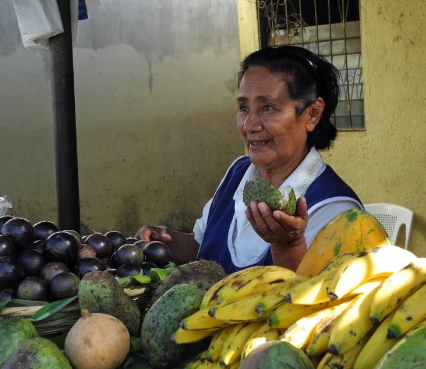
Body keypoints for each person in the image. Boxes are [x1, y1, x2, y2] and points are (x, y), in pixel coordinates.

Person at [135, 46, 363, 274]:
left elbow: (318, 299)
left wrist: (289, 244)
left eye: (267, 107)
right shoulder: (239, 172)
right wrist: (165, 242)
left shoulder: (337, 210)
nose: (249, 125)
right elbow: (203, 249)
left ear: (312, 114)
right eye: (244, 108)